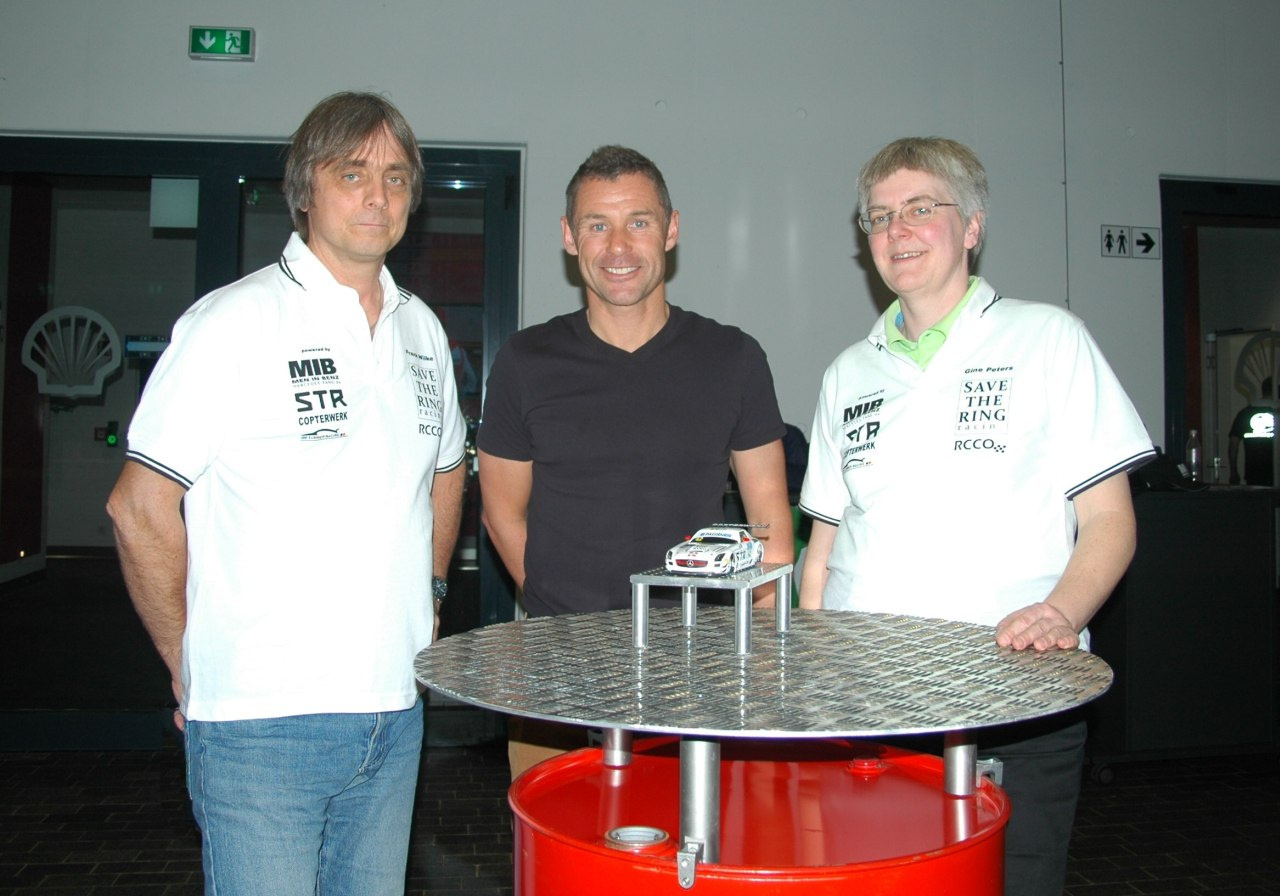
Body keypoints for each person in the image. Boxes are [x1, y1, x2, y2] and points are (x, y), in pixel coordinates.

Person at [106, 91, 467, 896]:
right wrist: (185, 660)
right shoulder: (233, 322)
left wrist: (433, 589)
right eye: (353, 173)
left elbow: (448, 469)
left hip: (395, 708)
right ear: (307, 189)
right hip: (260, 724)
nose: (378, 196)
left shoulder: (422, 331)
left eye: (397, 178)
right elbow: (137, 506)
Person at [798, 137, 1154, 896]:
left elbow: (1109, 519)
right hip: (869, 708)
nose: (897, 229)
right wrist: (813, 672)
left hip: (1014, 696)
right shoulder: (846, 373)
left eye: (920, 208)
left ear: (973, 226)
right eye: (879, 216)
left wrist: (1063, 612)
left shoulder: (1049, 339)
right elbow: (822, 549)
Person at [477, 145, 793, 778]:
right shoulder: (524, 362)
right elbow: (501, 514)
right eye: (597, 224)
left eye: (638, 222)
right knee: (556, 841)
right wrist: (562, 617)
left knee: (694, 839)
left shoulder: (733, 359)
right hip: (556, 676)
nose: (617, 246)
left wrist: (751, 666)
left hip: (699, 681)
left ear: (671, 229)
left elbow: (772, 531)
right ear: (569, 237)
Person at [1227, 377, 1276, 485]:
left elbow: (1233, 444)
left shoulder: (1245, 413)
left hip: (1254, 472)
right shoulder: (1277, 411)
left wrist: (1233, 472)